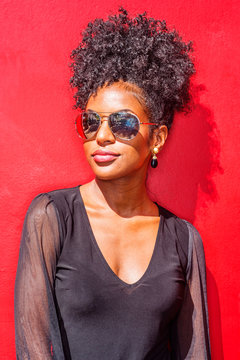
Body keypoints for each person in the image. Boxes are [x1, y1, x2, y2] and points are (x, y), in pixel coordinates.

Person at [14, 8, 211, 360]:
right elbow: (32, 349)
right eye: (91, 122)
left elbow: (195, 352)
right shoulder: (52, 218)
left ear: (157, 138)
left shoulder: (184, 240)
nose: (101, 136)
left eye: (122, 122)